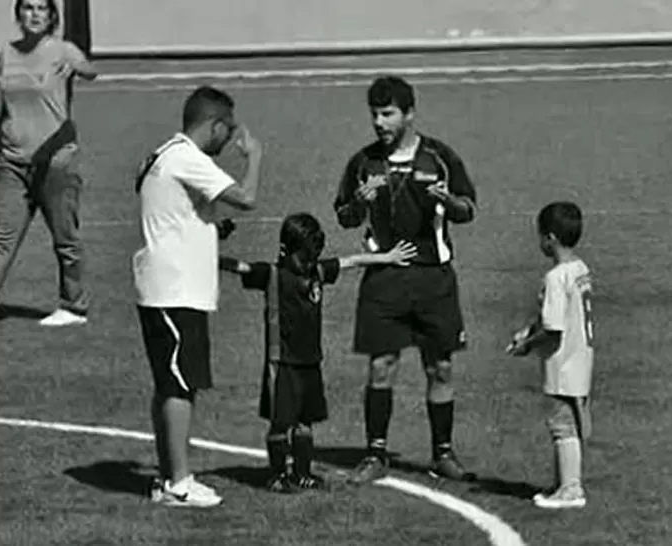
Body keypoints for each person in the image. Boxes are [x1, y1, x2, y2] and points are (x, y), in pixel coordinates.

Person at [332, 75, 478, 484]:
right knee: (382, 366)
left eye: (388, 114)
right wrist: (359, 204)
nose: (379, 122)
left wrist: (448, 202)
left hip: (434, 280)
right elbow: (343, 216)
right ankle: (376, 454)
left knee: (441, 367)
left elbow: (469, 209)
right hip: (384, 280)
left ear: (410, 114)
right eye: (374, 114)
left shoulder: (439, 156)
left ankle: (443, 455)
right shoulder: (363, 163)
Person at [219, 213, 418, 493]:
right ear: (287, 250)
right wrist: (202, 245)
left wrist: (387, 257)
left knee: (305, 423)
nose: (310, 262)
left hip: (311, 363)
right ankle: (277, 476)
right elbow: (236, 266)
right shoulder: (271, 275)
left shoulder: (318, 272)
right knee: (280, 423)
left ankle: (302, 473)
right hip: (282, 363)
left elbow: (351, 261)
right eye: (305, 256)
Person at [133, 85, 263, 508]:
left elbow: (174, 212)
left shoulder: (162, 154)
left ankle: (170, 474)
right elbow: (246, 198)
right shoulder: (190, 158)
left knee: (170, 384)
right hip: (176, 290)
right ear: (214, 125)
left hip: (164, 287)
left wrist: (210, 227)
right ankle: (180, 483)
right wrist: (255, 158)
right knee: (179, 385)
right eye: (227, 132)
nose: (229, 142)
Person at [0, 0, 97, 330]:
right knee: (2, 237)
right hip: (12, 160)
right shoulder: (9, 52)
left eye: (41, 9)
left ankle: (74, 306)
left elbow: (91, 70)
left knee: (66, 240)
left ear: (51, 16)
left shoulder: (63, 51)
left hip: (55, 163)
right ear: (18, 14)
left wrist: (78, 67)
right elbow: (11, 101)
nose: (34, 14)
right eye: (28, 8)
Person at [506, 201, 594, 509]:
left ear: (551, 238)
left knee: (562, 426)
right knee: (569, 422)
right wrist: (528, 329)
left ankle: (571, 488)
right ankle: (563, 483)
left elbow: (554, 328)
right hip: (580, 358)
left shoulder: (555, 278)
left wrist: (527, 345)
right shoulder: (580, 269)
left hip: (562, 364)